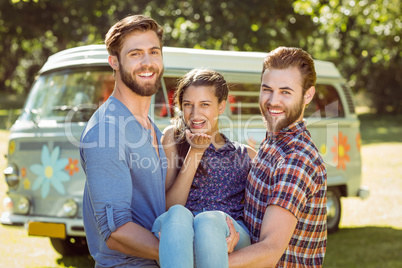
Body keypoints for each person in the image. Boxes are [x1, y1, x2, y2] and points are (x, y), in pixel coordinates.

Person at [227, 47, 327, 267]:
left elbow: (270, 251)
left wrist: (202, 261)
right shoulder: (273, 141)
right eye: (267, 89)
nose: (273, 101)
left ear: (307, 95)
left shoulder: (296, 159)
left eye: (285, 92)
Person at [80, 15, 165, 267]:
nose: (147, 62)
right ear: (114, 62)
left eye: (154, 52)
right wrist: (183, 253)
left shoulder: (151, 127)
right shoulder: (106, 131)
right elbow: (116, 232)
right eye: (135, 54)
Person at [152, 68, 257, 268]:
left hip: (228, 231)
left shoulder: (245, 155)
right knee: (177, 214)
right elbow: (170, 205)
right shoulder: (173, 138)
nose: (195, 113)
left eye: (205, 105)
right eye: (188, 105)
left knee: (208, 221)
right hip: (181, 230)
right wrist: (196, 152)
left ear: (221, 106)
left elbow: (256, 216)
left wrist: (233, 231)